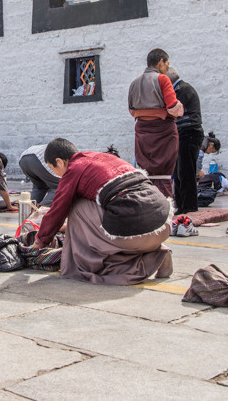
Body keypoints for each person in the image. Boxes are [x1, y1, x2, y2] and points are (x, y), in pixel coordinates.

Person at [31, 138, 173, 285]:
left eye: (52, 168)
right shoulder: (102, 158)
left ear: (59, 162)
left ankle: (140, 261)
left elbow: (57, 211)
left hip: (135, 234)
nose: (55, 174)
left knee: (78, 206)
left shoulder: (74, 169)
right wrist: (67, 226)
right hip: (163, 226)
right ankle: (159, 252)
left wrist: (39, 243)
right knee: (102, 202)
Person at [128, 49, 185, 197]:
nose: (167, 68)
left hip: (142, 130)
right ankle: (164, 203)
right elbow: (173, 107)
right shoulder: (162, 79)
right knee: (163, 172)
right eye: (167, 64)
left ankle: (149, 200)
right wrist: (179, 109)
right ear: (161, 62)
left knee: (147, 170)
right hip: (163, 130)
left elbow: (132, 110)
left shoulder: (134, 83)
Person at [167, 67, 203, 214]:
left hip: (189, 133)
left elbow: (173, 109)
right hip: (182, 133)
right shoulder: (179, 89)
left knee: (186, 172)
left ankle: (189, 206)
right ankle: (181, 205)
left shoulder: (182, 90)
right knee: (178, 172)